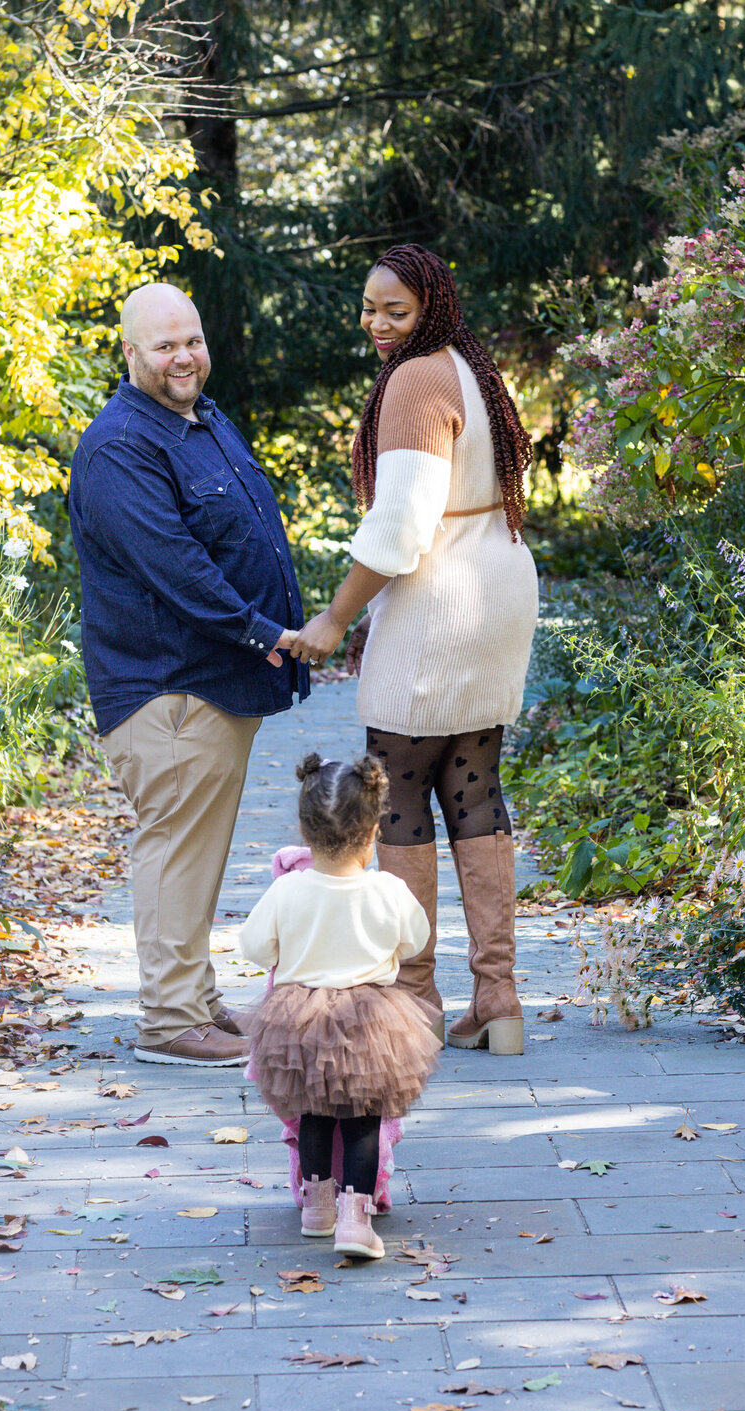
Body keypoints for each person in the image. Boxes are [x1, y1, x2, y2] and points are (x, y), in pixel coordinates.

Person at [289, 244, 538, 1056]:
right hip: (495, 585)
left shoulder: (414, 382)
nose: (377, 323)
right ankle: (497, 998)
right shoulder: (469, 369)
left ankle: (416, 997)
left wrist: (332, 620)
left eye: (394, 309)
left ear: (430, 304)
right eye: (368, 307)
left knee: (396, 790)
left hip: (440, 601)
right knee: (473, 783)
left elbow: (398, 528)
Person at [69, 283, 307, 1067]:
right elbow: (172, 563)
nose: (183, 357)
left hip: (210, 680)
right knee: (175, 844)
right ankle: (170, 1022)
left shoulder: (199, 421)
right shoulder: (119, 445)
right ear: (130, 353)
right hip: (168, 684)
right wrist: (263, 630)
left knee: (197, 846)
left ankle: (195, 997)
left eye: (192, 341)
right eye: (164, 345)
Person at [241, 754, 440, 1259]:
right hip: (373, 1022)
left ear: (305, 834)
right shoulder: (387, 890)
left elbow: (254, 947)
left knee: (312, 1113)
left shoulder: (287, 890)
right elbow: (416, 940)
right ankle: (356, 1218)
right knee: (362, 1120)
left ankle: (316, 1207)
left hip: (297, 1020)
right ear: (373, 832)